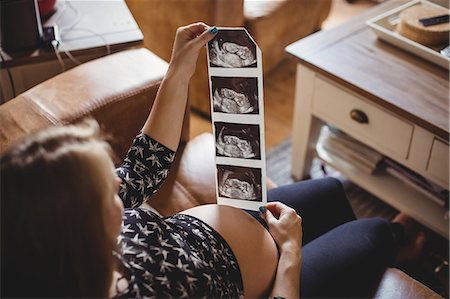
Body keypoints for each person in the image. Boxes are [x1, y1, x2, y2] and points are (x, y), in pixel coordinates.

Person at [0, 23, 424, 298]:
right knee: (373, 233)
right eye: (103, 190)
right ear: (76, 238)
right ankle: (392, 248)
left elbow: (142, 168)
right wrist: (291, 252)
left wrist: (178, 71)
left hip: (238, 219)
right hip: (276, 277)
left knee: (331, 191)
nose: (116, 184)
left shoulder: (70, 231)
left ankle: (374, 245)